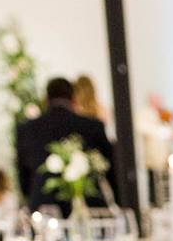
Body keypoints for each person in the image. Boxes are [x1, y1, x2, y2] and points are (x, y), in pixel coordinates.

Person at [15, 77, 115, 216]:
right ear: (73, 99)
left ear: (47, 100)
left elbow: (23, 178)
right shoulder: (92, 126)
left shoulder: (26, 129)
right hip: (90, 209)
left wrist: (31, 197)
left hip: (43, 211)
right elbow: (111, 168)